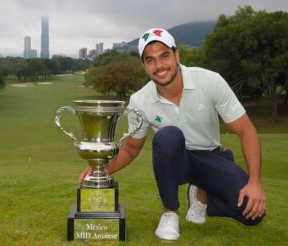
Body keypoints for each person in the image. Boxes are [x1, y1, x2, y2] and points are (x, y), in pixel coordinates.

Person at [79, 28, 266, 240]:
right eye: (150, 60)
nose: (159, 66)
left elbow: (246, 130)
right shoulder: (140, 101)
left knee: (253, 214)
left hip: (209, 156)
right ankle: (170, 213)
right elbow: (131, 148)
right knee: (168, 136)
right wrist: (101, 170)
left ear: (177, 55)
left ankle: (202, 192)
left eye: (165, 56)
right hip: (176, 160)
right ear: (144, 66)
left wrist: (255, 183)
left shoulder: (210, 81)